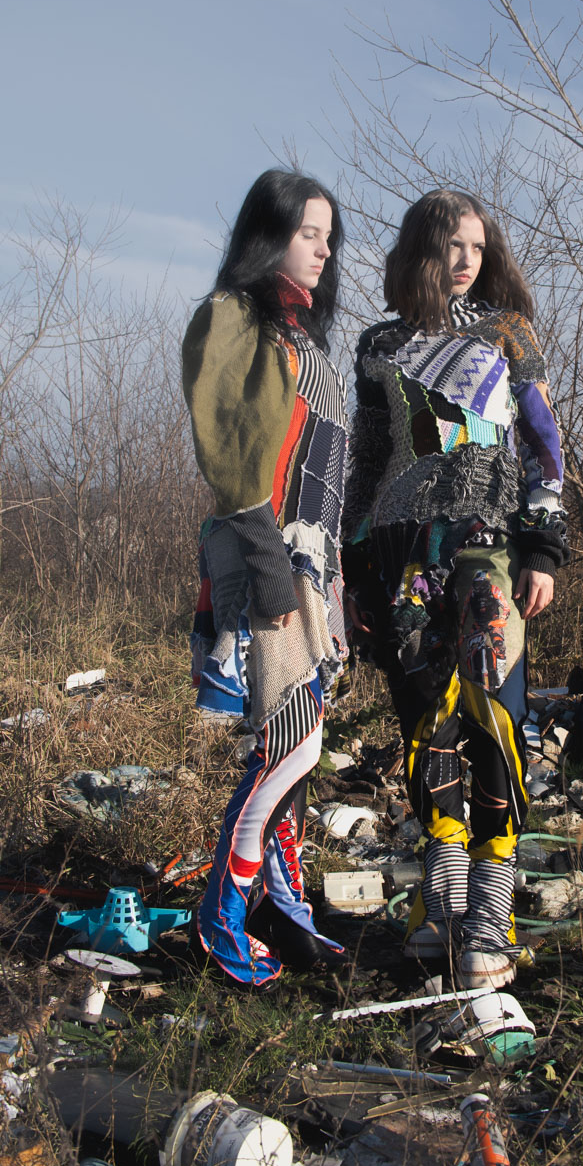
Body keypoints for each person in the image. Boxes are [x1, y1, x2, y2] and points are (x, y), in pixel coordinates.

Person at [343, 189, 567, 990]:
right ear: (420, 254)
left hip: (490, 551)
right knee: (424, 724)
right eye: (451, 247)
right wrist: (351, 571)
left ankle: (492, 913)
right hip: (401, 557)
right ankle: (439, 905)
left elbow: (544, 446)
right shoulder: (378, 345)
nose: (466, 260)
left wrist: (543, 548)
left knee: (495, 716)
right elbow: (366, 465)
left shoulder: (508, 334)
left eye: (476, 246)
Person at [183, 168, 352, 987]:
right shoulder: (232, 318)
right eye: (307, 233)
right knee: (290, 746)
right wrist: (272, 575)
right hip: (265, 559)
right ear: (268, 234)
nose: (322, 250)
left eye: (328, 236)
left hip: (312, 566)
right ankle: (220, 923)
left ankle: (283, 910)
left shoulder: (307, 340)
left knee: (298, 751)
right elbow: (231, 460)